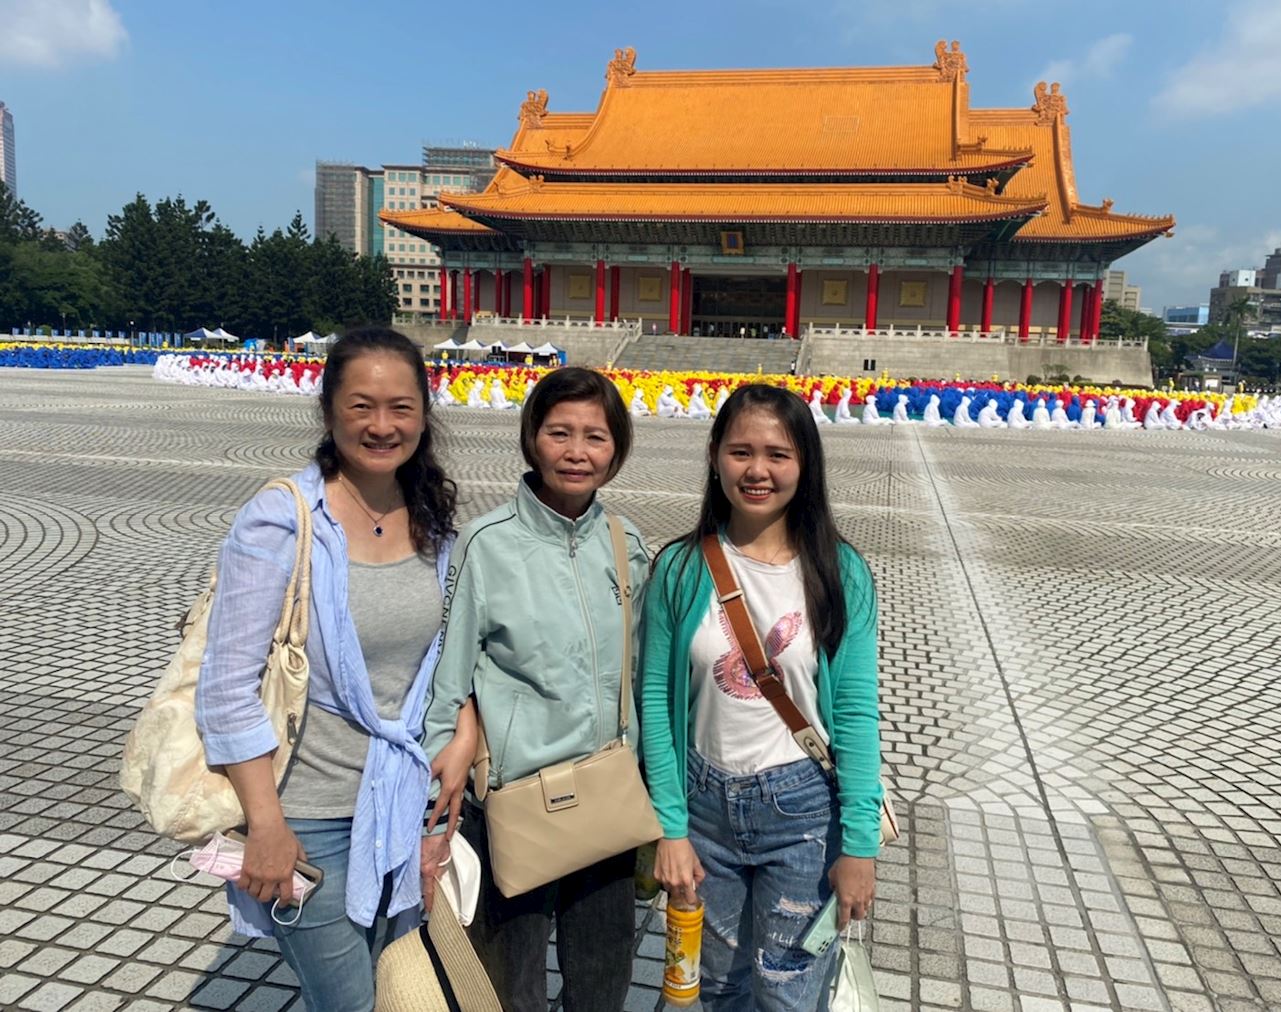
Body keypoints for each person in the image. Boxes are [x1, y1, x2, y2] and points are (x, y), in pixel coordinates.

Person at [195, 327, 471, 1012]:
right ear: (328, 410)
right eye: (361, 406)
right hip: (306, 814)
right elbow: (226, 689)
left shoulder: (433, 516)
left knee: (393, 985)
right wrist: (266, 825)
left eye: (401, 407)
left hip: (404, 804)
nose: (383, 425)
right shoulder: (282, 519)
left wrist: (465, 734)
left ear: (424, 414)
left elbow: (451, 653)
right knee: (348, 1001)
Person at [640, 383, 882, 1011]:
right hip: (703, 805)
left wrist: (860, 845)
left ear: (805, 464)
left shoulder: (841, 572)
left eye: (778, 454)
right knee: (717, 988)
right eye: (740, 451)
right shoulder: (680, 568)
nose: (757, 470)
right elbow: (655, 704)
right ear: (715, 455)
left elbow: (857, 713)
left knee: (787, 992)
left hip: (802, 811)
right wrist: (670, 828)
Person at [422, 366, 652, 1011]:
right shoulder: (488, 544)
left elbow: (642, 673)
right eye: (559, 433)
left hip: (606, 794)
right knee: (510, 982)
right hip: (518, 798)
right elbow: (449, 676)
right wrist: (436, 806)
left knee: (602, 979)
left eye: (596, 437)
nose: (577, 452)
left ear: (617, 449)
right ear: (531, 439)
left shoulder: (627, 544)